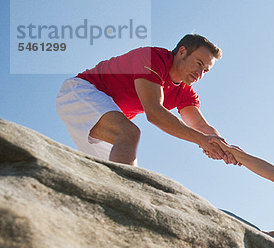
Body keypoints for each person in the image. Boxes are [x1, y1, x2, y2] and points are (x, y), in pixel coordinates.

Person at [56, 34, 234, 166]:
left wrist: (226, 148)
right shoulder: (153, 59)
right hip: (81, 91)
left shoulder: (185, 93)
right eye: (199, 64)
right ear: (182, 51)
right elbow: (154, 113)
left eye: (206, 71)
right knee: (129, 134)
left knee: (120, 168)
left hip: (104, 115)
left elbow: (202, 127)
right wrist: (202, 141)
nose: (200, 74)